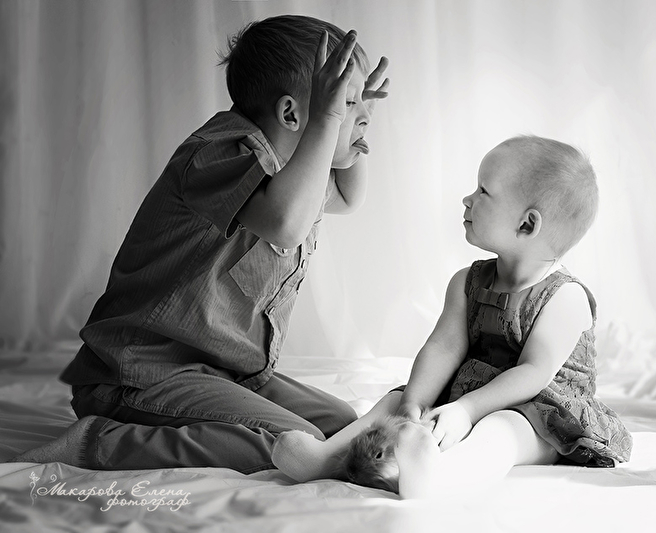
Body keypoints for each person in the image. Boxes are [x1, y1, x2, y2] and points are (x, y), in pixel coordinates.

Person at [14, 15, 389, 474]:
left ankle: (229, 419)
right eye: (346, 101)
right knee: (296, 444)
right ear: (292, 115)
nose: (361, 112)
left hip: (227, 373)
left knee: (345, 426)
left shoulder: (295, 173)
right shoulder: (219, 152)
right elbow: (286, 225)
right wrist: (331, 119)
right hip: (141, 372)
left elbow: (348, 197)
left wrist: (354, 120)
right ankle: (97, 443)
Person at [272, 135, 633, 498]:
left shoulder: (565, 297)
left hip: (541, 415)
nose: (467, 199)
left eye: (483, 191)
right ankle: (325, 458)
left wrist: (467, 409)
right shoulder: (467, 282)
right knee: (395, 402)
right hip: (467, 396)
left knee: (503, 430)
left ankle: (437, 477)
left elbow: (533, 373)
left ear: (527, 225)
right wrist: (414, 403)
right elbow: (443, 348)